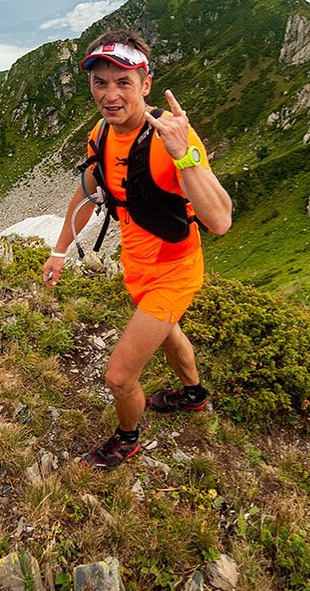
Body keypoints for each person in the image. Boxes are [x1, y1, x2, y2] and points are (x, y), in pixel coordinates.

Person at [42, 29, 232, 470]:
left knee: (119, 375)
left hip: (173, 269)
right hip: (137, 264)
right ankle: (193, 396)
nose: (110, 95)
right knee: (169, 334)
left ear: (145, 85)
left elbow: (220, 220)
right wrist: (60, 251)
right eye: (100, 82)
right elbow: (88, 190)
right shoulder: (103, 134)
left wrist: (184, 154)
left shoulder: (171, 140)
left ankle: (127, 439)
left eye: (123, 82)